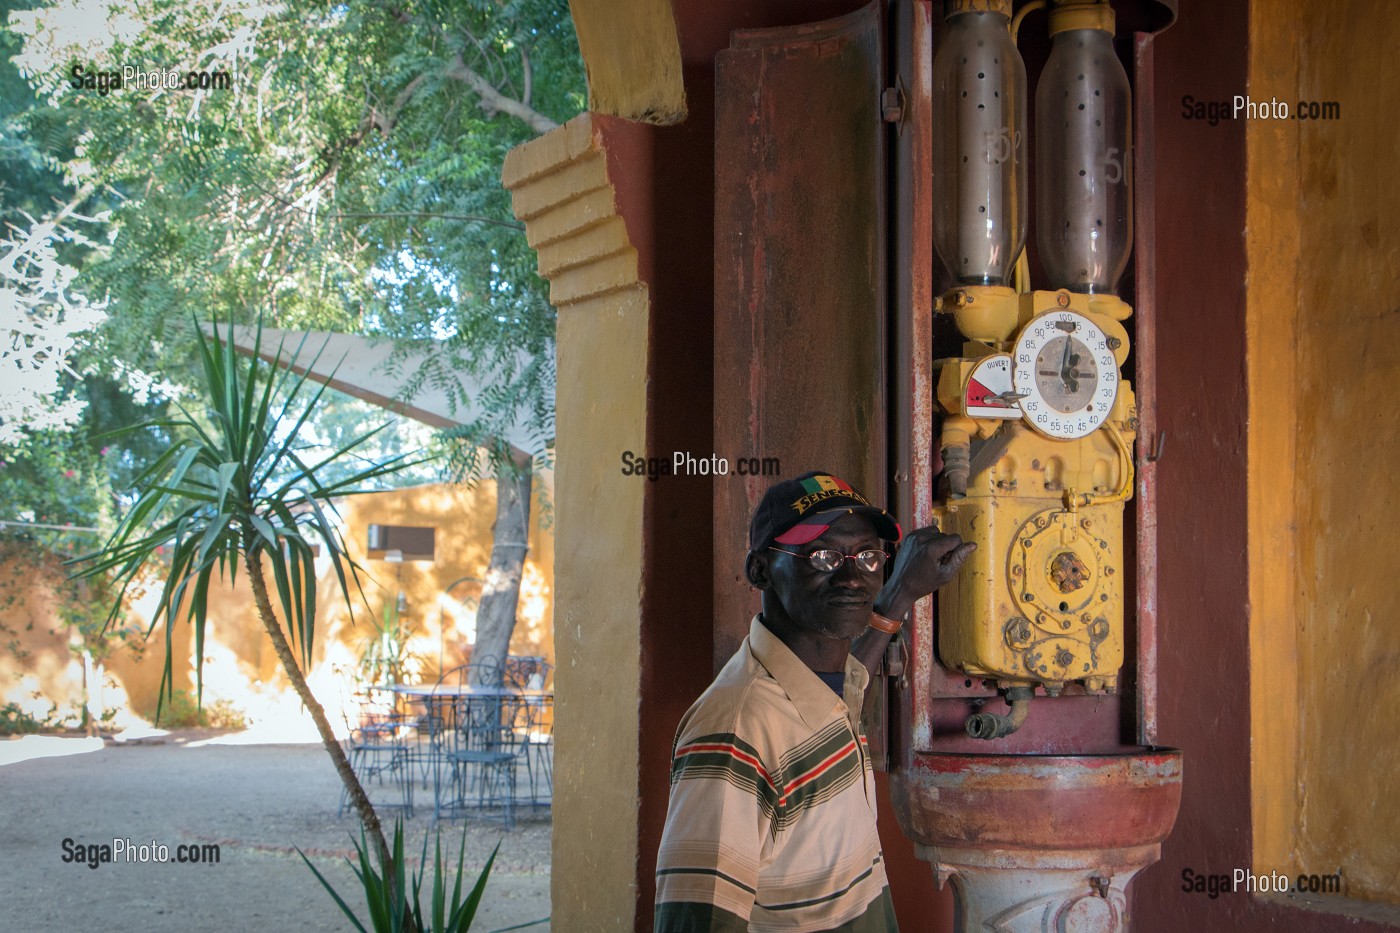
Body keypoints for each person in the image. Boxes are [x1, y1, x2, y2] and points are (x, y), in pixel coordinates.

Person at [654, 470, 976, 932]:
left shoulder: (823, 687)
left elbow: (851, 682)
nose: (852, 577)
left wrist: (901, 592)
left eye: (867, 556)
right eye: (822, 556)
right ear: (760, 569)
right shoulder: (736, 733)